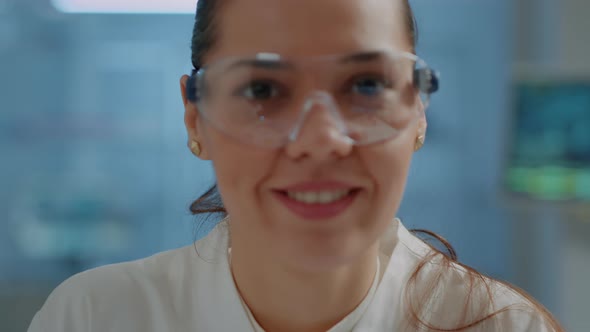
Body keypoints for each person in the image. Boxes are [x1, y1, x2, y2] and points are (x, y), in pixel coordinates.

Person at [28, 0, 563, 331]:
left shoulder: (501, 326)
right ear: (196, 119)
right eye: (263, 89)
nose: (320, 140)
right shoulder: (95, 317)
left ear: (418, 110)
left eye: (366, 85)